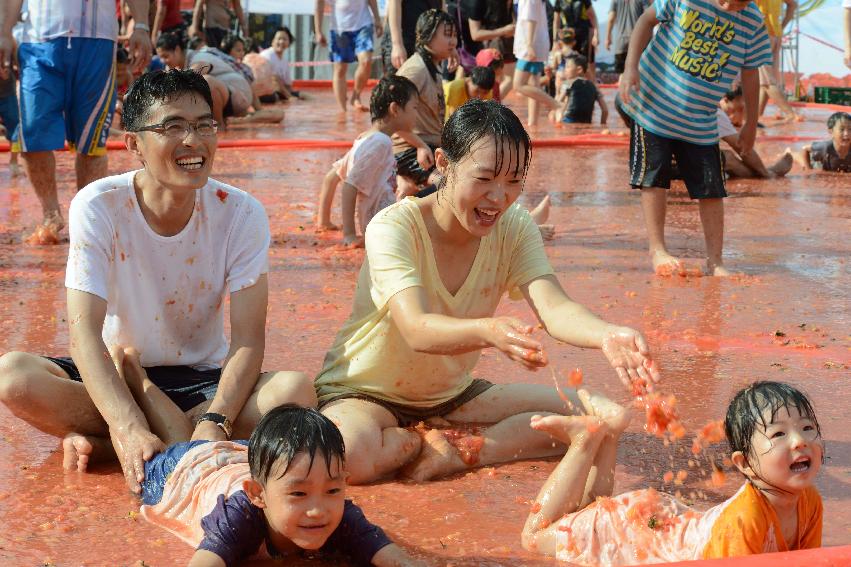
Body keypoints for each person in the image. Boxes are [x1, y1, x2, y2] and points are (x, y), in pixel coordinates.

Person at [0, 69, 316, 493]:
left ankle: (114, 442)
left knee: (295, 391)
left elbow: (247, 341)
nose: (194, 141)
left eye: (205, 125)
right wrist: (127, 424)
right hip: (115, 372)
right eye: (174, 127)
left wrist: (216, 419)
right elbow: (83, 335)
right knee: (13, 376)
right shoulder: (98, 205)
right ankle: (142, 431)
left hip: (200, 381)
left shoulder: (241, 212)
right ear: (133, 144)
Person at [315, 100, 660, 485]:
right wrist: (489, 331)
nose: (499, 197)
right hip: (364, 393)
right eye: (485, 179)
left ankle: (463, 451)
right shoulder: (394, 227)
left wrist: (607, 334)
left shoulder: (515, 227)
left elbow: (554, 307)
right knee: (349, 456)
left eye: (514, 181)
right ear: (444, 164)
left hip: (452, 396)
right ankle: (415, 441)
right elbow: (416, 328)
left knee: (608, 418)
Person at [522, 381, 823, 563]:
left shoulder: (810, 502)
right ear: (744, 464)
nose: (800, 442)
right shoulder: (745, 520)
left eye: (808, 428)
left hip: (659, 522)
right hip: (635, 533)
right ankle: (584, 441)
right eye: (779, 435)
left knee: (591, 510)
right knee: (535, 538)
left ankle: (607, 436)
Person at [136, 400, 422, 566]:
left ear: (344, 485)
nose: (318, 510)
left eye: (333, 490)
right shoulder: (239, 516)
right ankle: (136, 378)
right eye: (299, 494)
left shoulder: (342, 516)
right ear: (257, 494)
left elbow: (399, 561)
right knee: (156, 451)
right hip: (185, 471)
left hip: (239, 453)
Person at [617, 0, 772, 276]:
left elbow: (751, 71)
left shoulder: (752, 20)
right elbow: (644, 21)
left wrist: (749, 122)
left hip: (700, 117)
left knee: (711, 187)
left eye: (737, 3)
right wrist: (631, 67)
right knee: (654, 178)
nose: (727, 5)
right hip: (654, 104)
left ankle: (715, 260)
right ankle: (658, 249)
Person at [0, 0, 152, 236]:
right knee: (33, 135)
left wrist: (141, 25)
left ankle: (86, 216)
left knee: (91, 140)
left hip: (97, 41)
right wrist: (4, 31)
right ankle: (51, 214)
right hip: (38, 40)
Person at [317, 75, 420, 245]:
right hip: (382, 228)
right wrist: (349, 235)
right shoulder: (381, 143)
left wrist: (324, 221)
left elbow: (331, 177)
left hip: (380, 224)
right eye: (415, 107)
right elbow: (349, 186)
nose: (417, 114)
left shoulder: (365, 138)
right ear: (395, 109)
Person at [393, 9, 457, 197]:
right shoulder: (415, 70)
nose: (453, 41)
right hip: (408, 150)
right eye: (447, 35)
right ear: (426, 35)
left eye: (454, 35)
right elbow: (391, 118)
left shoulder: (432, 65)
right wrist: (420, 145)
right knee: (450, 185)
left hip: (427, 146)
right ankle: (406, 213)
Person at [156, 33, 283, 127]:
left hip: (238, 93)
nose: (163, 61)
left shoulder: (198, 57)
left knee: (206, 81)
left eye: (165, 56)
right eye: (161, 58)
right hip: (233, 94)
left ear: (177, 50)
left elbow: (198, 70)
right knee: (276, 114)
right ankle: (234, 121)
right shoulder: (178, 64)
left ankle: (219, 126)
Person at [314, 0, 383, 112]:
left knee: (366, 61)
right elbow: (319, 5)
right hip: (339, 29)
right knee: (340, 69)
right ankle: (343, 110)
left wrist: (377, 19)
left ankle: (356, 95)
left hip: (363, 25)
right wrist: (318, 31)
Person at [718, 89, 792, 178]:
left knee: (722, 155)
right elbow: (741, 146)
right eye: (739, 109)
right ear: (725, 100)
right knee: (727, 158)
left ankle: (766, 172)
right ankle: (768, 174)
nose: (738, 113)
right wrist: (765, 172)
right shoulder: (714, 111)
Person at [514, 0, 560, 127]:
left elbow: (531, 19)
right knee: (534, 84)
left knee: (518, 84)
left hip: (529, 47)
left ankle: (556, 104)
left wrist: (528, 45)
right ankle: (533, 124)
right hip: (537, 44)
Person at [755, 0, 798, 122]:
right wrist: (782, 25)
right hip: (776, 33)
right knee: (765, 82)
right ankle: (758, 115)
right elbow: (793, 4)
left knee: (767, 80)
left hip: (761, 33)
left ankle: (791, 114)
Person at [382, 0, 443, 74]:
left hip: (428, 44)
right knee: (400, 83)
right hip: (403, 42)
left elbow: (442, 8)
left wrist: (450, 43)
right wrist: (397, 44)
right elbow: (394, 2)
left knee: (430, 83)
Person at [553, 0, 599, 82]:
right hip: (567, 36)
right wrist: (555, 41)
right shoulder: (559, 1)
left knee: (586, 64)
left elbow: (593, 17)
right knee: (567, 63)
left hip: (584, 34)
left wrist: (596, 35)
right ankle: (568, 89)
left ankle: (593, 88)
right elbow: (556, 21)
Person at [555, 54, 608, 124]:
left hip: (568, 121)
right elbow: (605, 110)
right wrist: (603, 123)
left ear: (579, 69)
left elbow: (556, 104)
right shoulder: (594, 87)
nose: (565, 70)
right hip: (586, 122)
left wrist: (558, 120)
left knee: (552, 115)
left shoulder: (567, 84)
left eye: (567, 67)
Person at [606, 0, 646, 78]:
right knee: (639, 73)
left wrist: (608, 37)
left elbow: (611, 19)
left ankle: (622, 90)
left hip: (621, 43)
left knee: (622, 74)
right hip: (637, 42)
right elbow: (648, 16)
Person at [259, 27, 300, 102]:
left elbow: (288, 85)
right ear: (273, 41)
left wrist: (295, 95)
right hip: (265, 93)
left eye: (285, 39)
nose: (281, 42)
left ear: (289, 43)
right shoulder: (267, 55)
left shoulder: (285, 61)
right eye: (279, 39)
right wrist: (289, 97)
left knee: (304, 96)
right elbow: (274, 80)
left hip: (279, 92)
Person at [0, 70, 20, 177]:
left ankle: (14, 161)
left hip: (8, 94)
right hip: (8, 93)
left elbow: (19, 65)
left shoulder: (11, 51)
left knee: (15, 130)